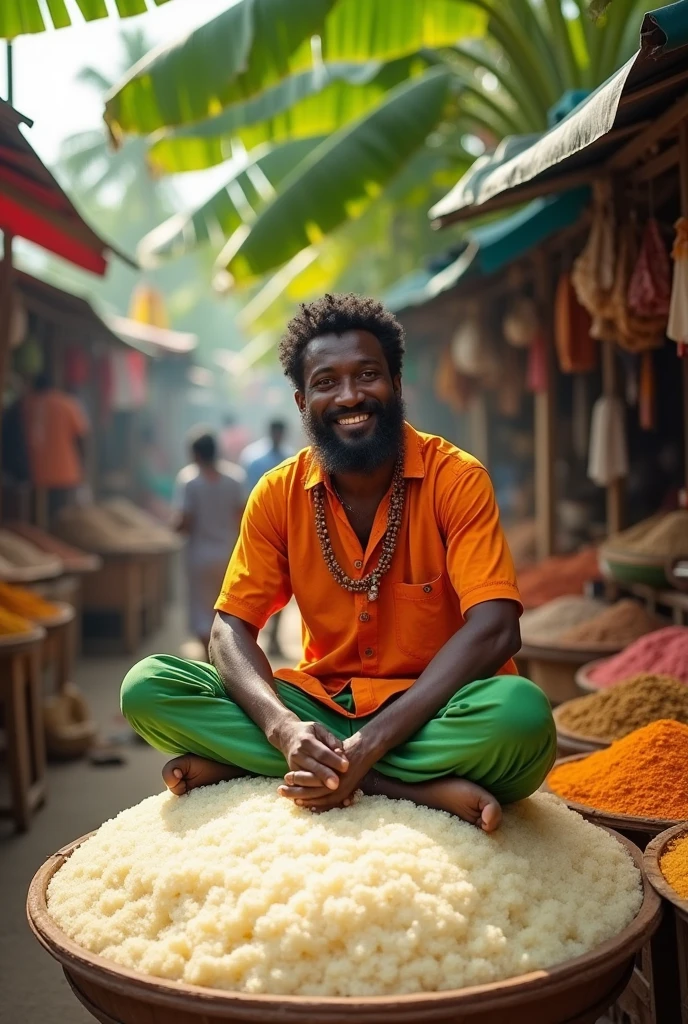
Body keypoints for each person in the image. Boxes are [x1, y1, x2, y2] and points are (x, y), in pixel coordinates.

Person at [122, 294, 555, 833]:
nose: (350, 396)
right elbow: (229, 630)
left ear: (396, 386)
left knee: (522, 719)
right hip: (321, 710)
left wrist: (373, 741)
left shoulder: (457, 479)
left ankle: (296, 768)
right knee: (148, 686)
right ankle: (397, 785)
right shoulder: (276, 494)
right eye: (327, 382)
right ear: (303, 402)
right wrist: (283, 729)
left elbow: (496, 630)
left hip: (438, 712)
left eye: (367, 375)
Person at [174, 428, 246, 653]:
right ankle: (226, 658)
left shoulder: (189, 480)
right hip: (229, 555)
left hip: (199, 557)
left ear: (195, 454)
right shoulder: (234, 478)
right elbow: (242, 517)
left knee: (201, 612)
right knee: (227, 610)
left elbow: (184, 522)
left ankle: (210, 657)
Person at [240, 420, 293, 657]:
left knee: (282, 586)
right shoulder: (253, 457)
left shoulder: (290, 456)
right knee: (257, 587)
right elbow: (245, 495)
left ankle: (273, 637)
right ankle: (253, 641)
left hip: (286, 530)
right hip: (260, 528)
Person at [22, 370, 90, 522]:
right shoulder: (67, 403)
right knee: (62, 518)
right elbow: (81, 437)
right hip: (65, 470)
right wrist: (83, 465)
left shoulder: (27, 405)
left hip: (36, 471)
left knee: (39, 518)